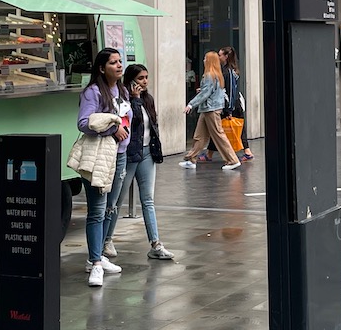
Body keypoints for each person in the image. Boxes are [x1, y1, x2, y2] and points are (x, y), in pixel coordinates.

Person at [101, 64, 175, 261]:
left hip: (147, 153)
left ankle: (156, 243)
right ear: (131, 80)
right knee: (116, 200)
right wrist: (133, 99)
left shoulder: (148, 99)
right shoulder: (125, 99)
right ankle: (106, 240)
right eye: (141, 78)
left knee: (148, 199)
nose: (144, 82)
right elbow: (128, 123)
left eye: (146, 78)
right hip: (129, 153)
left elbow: (153, 126)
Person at [76, 47, 131, 287]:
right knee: (97, 211)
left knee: (111, 208)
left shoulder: (122, 90)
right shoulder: (93, 92)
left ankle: (99, 256)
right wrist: (112, 128)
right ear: (101, 68)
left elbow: (126, 117)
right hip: (100, 157)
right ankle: (95, 263)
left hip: (120, 155)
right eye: (113, 63)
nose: (119, 66)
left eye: (120, 62)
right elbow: (84, 123)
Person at [182, 50, 241, 169]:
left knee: (218, 135)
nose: (204, 60)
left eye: (205, 58)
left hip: (211, 109)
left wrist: (191, 104)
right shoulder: (216, 75)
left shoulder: (209, 75)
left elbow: (205, 93)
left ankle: (232, 160)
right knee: (199, 135)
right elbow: (210, 91)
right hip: (209, 109)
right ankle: (191, 159)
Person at [220, 46, 252, 161]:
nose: (219, 57)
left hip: (232, 104)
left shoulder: (228, 71)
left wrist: (229, 109)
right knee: (237, 127)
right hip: (233, 103)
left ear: (226, 57)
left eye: (220, 55)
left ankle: (247, 151)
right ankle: (247, 151)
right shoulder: (231, 70)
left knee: (224, 128)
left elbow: (231, 91)